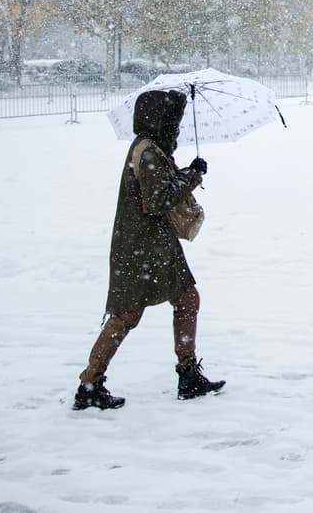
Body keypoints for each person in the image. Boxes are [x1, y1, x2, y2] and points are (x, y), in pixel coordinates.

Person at [73, 88, 225, 410]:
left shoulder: (151, 148)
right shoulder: (148, 152)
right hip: (141, 248)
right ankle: (90, 383)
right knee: (126, 316)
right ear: (159, 119)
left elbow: (159, 189)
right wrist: (192, 175)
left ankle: (187, 374)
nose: (177, 128)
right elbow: (159, 201)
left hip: (152, 245)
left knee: (186, 299)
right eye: (173, 120)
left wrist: (186, 172)